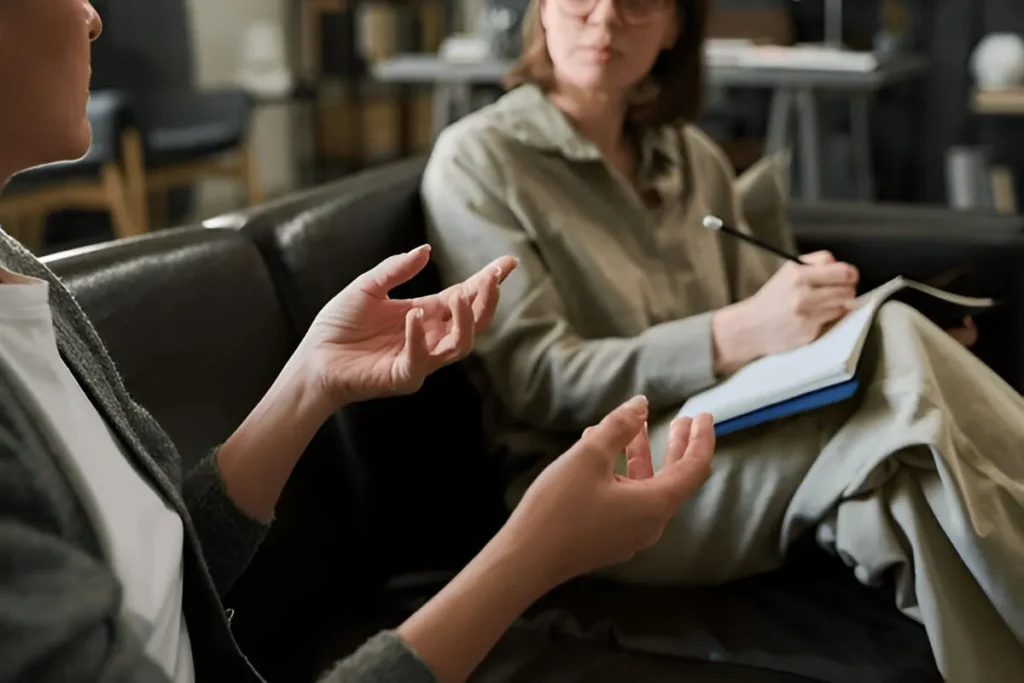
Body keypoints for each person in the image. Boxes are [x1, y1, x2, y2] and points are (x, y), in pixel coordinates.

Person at [0, 2, 718, 682]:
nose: (93, 17)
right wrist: (529, 556)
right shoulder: (483, 155)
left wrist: (312, 377)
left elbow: (163, 573)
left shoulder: (22, 275)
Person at [420, 0, 1024, 680]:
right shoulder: (477, 160)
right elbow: (538, 378)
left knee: (901, 485)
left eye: (638, 2)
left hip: (731, 432)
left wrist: (817, 309)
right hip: (594, 484)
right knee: (901, 353)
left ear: (677, 23)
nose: (605, 19)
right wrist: (734, 332)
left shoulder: (693, 157)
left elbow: (778, 334)